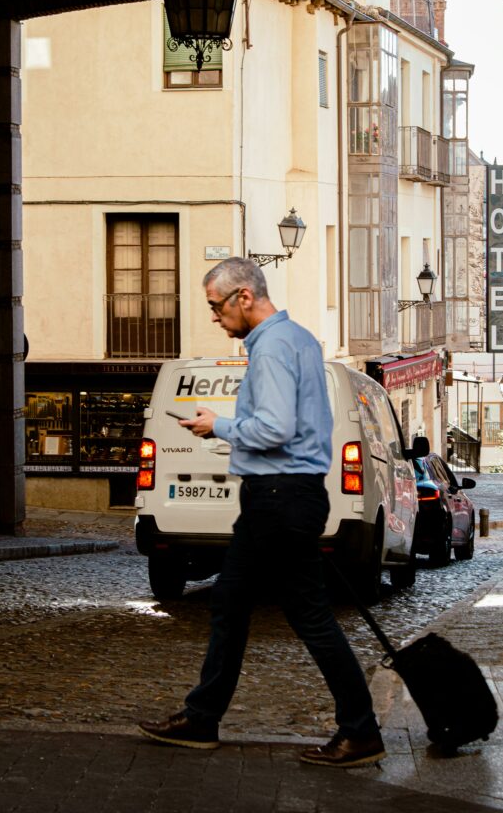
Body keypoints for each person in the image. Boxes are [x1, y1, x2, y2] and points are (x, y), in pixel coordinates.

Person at [138, 257, 385, 768]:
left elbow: (273, 428)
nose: (214, 317)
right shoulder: (298, 338)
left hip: (279, 496)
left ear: (243, 298)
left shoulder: (271, 348)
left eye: (215, 306)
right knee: (229, 603)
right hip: (283, 496)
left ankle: (360, 730)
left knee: (308, 614)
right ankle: (202, 717)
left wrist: (219, 427)